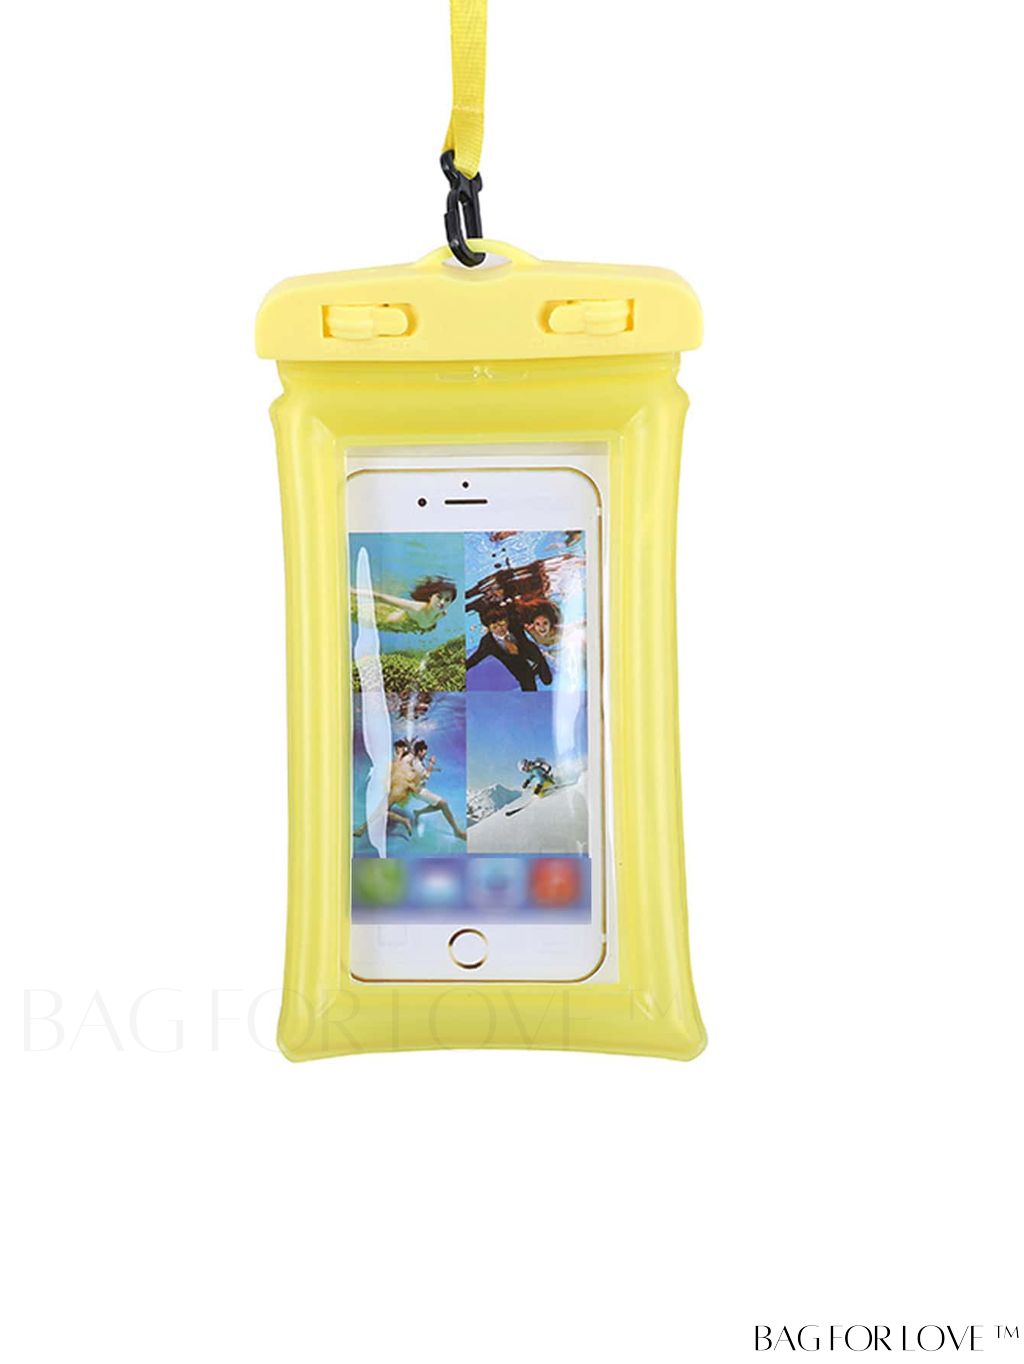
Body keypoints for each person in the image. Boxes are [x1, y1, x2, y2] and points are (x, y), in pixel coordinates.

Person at [466, 606, 552, 691]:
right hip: (520, 670)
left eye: (502, 624)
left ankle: (541, 667)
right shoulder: (487, 643)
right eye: (495, 627)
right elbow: (476, 658)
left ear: (507, 621)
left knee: (548, 681)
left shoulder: (515, 624)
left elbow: (528, 614)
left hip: (536, 658)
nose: (500, 629)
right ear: (488, 628)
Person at [406, 739, 467, 840]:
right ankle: (457, 832)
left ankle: (418, 812)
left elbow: (422, 771)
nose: (425, 755)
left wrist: (433, 768)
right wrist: (431, 764)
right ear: (419, 751)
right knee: (444, 804)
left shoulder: (417, 760)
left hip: (420, 788)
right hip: (418, 791)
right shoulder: (417, 764)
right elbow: (425, 776)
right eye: (424, 752)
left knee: (439, 805)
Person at [350, 576, 457, 633]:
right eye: (439, 597)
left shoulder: (442, 613)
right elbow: (381, 597)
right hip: (384, 621)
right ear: (430, 597)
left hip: (402, 628)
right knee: (352, 611)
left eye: (447, 600)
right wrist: (353, 592)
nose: (442, 602)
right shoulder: (416, 608)